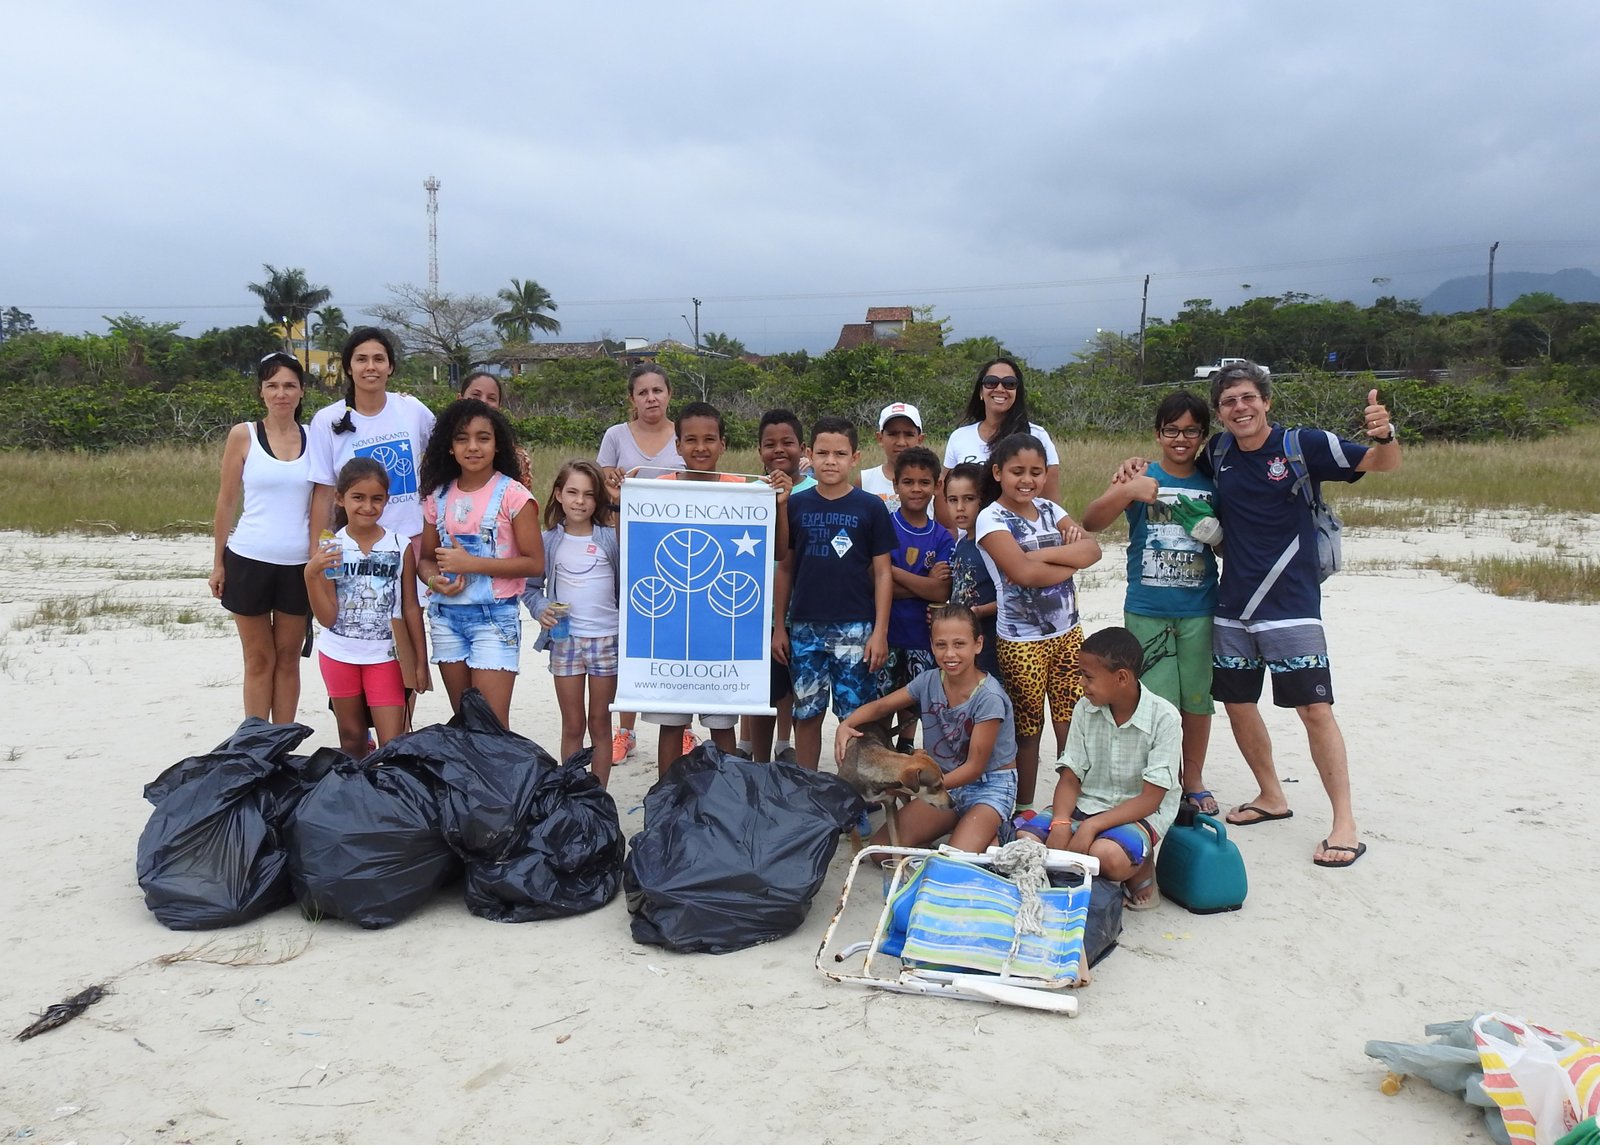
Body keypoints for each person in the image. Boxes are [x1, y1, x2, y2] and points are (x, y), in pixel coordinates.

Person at [1137, 363, 1400, 869]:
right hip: (1232, 605)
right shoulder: (1219, 453)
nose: (1240, 408)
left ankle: (1344, 822)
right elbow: (1178, 464)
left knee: (1315, 710)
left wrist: (1384, 434)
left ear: (1266, 401)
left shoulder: (1302, 444)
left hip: (1291, 605)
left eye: (1247, 397)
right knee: (1238, 704)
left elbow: (1382, 463)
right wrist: (1136, 466)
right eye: (1229, 401)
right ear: (1220, 413)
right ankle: (1271, 794)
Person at [1081, 390, 1221, 815]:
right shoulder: (1139, 474)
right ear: (1158, 434)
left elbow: (1228, 547)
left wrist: (1213, 533)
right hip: (1146, 608)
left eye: (1191, 431)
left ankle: (1192, 779)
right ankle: (1157, 779)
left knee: (1196, 699)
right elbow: (1092, 520)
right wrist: (1128, 490)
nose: (1181, 439)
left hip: (1199, 607)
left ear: (1203, 435)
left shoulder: (1213, 480)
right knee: (1152, 700)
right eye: (1171, 430)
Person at [641, 402, 792, 775]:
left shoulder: (745, 490)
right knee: (672, 723)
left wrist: (780, 505)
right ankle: (667, 797)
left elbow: (777, 550)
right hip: (671, 634)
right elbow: (634, 547)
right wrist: (619, 495)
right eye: (691, 439)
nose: (700, 447)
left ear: (723, 444)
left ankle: (728, 795)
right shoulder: (654, 489)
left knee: (723, 725)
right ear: (677, 444)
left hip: (724, 635)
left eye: (709, 439)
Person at [975, 433, 1101, 816]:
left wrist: (1041, 556)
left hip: (1069, 635)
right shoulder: (990, 518)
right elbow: (1022, 574)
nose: (1027, 480)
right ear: (998, 472)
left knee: (1070, 722)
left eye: (1036, 471)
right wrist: (1067, 559)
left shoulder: (1049, 508)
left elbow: (1093, 550)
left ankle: (1071, 806)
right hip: (1022, 643)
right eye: (1017, 471)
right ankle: (1024, 807)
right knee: (1028, 731)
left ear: (1046, 474)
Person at [835, 604, 1018, 853]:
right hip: (944, 780)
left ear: (978, 644)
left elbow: (974, 768)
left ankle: (992, 833)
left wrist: (911, 786)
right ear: (931, 646)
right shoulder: (929, 680)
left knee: (954, 861)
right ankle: (961, 829)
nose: (950, 653)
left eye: (959, 644)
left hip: (988, 787)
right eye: (941, 645)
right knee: (881, 851)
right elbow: (881, 707)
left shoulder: (989, 698)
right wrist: (846, 725)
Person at [775, 414, 895, 769]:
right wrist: (780, 626)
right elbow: (785, 568)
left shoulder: (870, 507)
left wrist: (880, 632)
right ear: (809, 455)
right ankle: (807, 786)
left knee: (855, 718)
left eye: (840, 454)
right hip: (805, 627)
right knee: (807, 713)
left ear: (855, 457)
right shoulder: (796, 504)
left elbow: (883, 573)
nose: (831, 461)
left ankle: (851, 789)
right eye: (823, 453)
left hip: (856, 627)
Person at [417, 399, 543, 729]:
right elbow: (426, 559)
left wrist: (472, 564)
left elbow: (534, 563)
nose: (473, 446)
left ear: (497, 444)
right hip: (446, 619)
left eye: (483, 438)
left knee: (491, 726)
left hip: (494, 620)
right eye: (462, 438)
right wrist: (433, 581)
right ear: (450, 447)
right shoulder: (437, 496)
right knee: (464, 722)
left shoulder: (514, 496)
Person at [1039, 626, 1181, 911]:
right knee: (1028, 840)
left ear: (1122, 678)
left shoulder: (1165, 717)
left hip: (1140, 812)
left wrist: (1091, 827)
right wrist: (1062, 821)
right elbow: (1070, 777)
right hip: (1087, 803)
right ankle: (1095, 870)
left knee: (1107, 855)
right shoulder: (1084, 708)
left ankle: (1141, 867)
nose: (1081, 683)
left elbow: (1151, 800)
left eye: (1088, 677)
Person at [209, 351, 313, 723]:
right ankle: (255, 743)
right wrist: (218, 563)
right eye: (272, 386)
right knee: (258, 658)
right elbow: (226, 501)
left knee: (288, 658)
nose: (281, 394)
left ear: (301, 391)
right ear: (261, 392)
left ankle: (282, 740)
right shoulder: (244, 435)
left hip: (298, 565)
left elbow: (326, 502)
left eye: (289, 385)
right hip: (248, 560)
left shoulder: (316, 437)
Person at [304, 458, 428, 758]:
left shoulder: (400, 545)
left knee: (392, 742)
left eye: (377, 499)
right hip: (339, 654)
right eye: (358, 497)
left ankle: (387, 788)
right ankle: (358, 787)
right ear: (340, 498)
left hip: (386, 656)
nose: (367, 507)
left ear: (387, 499)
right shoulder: (331, 546)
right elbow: (327, 618)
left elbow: (411, 607)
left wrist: (420, 662)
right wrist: (310, 574)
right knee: (352, 739)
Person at [597, 363, 683, 764]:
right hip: (628, 548)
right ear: (632, 398)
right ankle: (625, 730)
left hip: (679, 552)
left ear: (669, 394)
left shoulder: (684, 435)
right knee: (631, 639)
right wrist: (610, 482)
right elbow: (601, 490)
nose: (651, 398)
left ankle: (682, 727)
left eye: (657, 390)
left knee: (676, 635)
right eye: (643, 392)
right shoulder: (615, 436)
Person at [524, 460, 620, 786]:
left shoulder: (611, 538)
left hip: (607, 638)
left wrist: (619, 502)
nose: (580, 501)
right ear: (558, 495)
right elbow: (530, 587)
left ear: (598, 499)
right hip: (565, 640)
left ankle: (598, 795)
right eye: (572, 492)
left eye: (589, 494)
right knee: (573, 724)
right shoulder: (548, 540)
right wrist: (541, 609)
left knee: (600, 722)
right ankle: (574, 793)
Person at [306, 328, 436, 555]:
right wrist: (316, 553)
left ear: (390, 367)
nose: (370, 367)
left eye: (378, 359)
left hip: (413, 540)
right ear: (349, 367)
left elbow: (443, 454)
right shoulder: (326, 420)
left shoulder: (412, 409)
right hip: (355, 546)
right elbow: (324, 493)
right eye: (361, 359)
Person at [742, 409, 813, 763]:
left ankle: (792, 754)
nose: (779, 450)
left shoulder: (818, 491)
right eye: (770, 444)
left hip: (807, 611)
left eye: (788, 442)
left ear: (804, 448)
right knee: (763, 692)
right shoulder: (748, 493)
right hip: (759, 611)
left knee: (801, 693)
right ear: (759, 450)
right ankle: (759, 762)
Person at [879, 446, 955, 750]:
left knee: (914, 701)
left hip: (923, 636)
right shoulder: (883, 526)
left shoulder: (943, 536)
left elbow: (941, 592)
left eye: (924, 482)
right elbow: (874, 585)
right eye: (908, 482)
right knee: (883, 700)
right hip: (885, 633)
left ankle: (906, 746)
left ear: (937, 486)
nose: (916, 489)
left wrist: (892, 572)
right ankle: (881, 749)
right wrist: (925, 583)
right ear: (895, 484)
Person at [941, 357, 1063, 510]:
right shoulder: (959, 437)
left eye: (1009, 383)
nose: (1000, 388)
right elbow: (945, 494)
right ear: (981, 391)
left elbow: (1051, 504)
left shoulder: (1037, 436)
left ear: (1017, 392)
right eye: (991, 382)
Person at [942, 462, 1000, 677]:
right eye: (953, 500)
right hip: (964, 645)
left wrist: (981, 611)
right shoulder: (961, 543)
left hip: (991, 643)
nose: (960, 507)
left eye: (968, 499)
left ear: (983, 499)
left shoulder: (993, 542)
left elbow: (1014, 595)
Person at [459, 370, 534, 490]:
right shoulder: (441, 449)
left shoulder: (517, 457)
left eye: (491, 398)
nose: (483, 401)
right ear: (460, 398)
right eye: (476, 395)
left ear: (499, 406)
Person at [859, 401, 924, 512]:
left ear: (920, 439)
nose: (901, 442)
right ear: (880, 438)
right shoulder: (865, 480)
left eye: (909, 434)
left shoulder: (931, 481)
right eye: (893, 434)